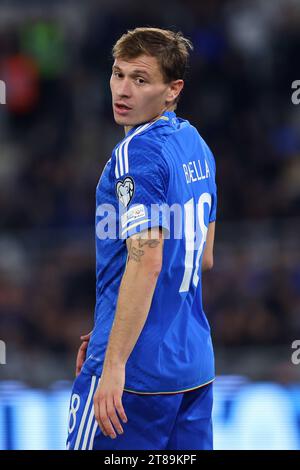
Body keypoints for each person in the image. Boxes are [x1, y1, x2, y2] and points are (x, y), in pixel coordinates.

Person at [67, 27, 217, 451]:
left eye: (140, 79)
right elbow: (203, 256)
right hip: (193, 370)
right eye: (118, 74)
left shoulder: (137, 154)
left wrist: (113, 360)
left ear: (173, 90)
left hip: (135, 377)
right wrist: (110, 325)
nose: (123, 90)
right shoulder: (197, 147)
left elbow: (147, 258)